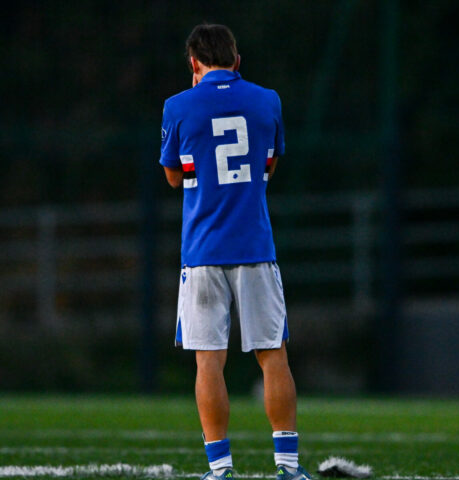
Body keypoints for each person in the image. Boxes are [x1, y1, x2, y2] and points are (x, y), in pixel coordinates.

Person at [159, 24, 311, 480]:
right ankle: (287, 465)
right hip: (256, 246)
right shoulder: (268, 100)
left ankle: (220, 469)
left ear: (194, 64)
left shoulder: (178, 107)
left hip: (203, 249)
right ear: (237, 60)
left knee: (209, 360)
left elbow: (172, 177)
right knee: (273, 355)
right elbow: (270, 162)